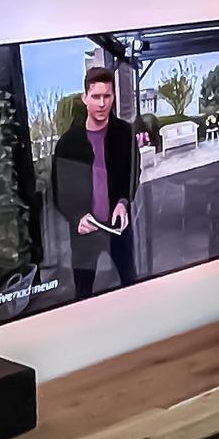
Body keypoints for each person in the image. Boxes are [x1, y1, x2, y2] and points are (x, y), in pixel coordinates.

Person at [51, 67, 141, 298]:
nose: (102, 103)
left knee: (130, 284)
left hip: (118, 229)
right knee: (83, 292)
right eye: (96, 96)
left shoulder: (124, 134)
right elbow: (60, 192)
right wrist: (77, 217)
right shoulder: (67, 144)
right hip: (84, 234)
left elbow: (133, 173)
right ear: (85, 98)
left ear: (113, 97)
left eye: (107, 96)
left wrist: (123, 202)